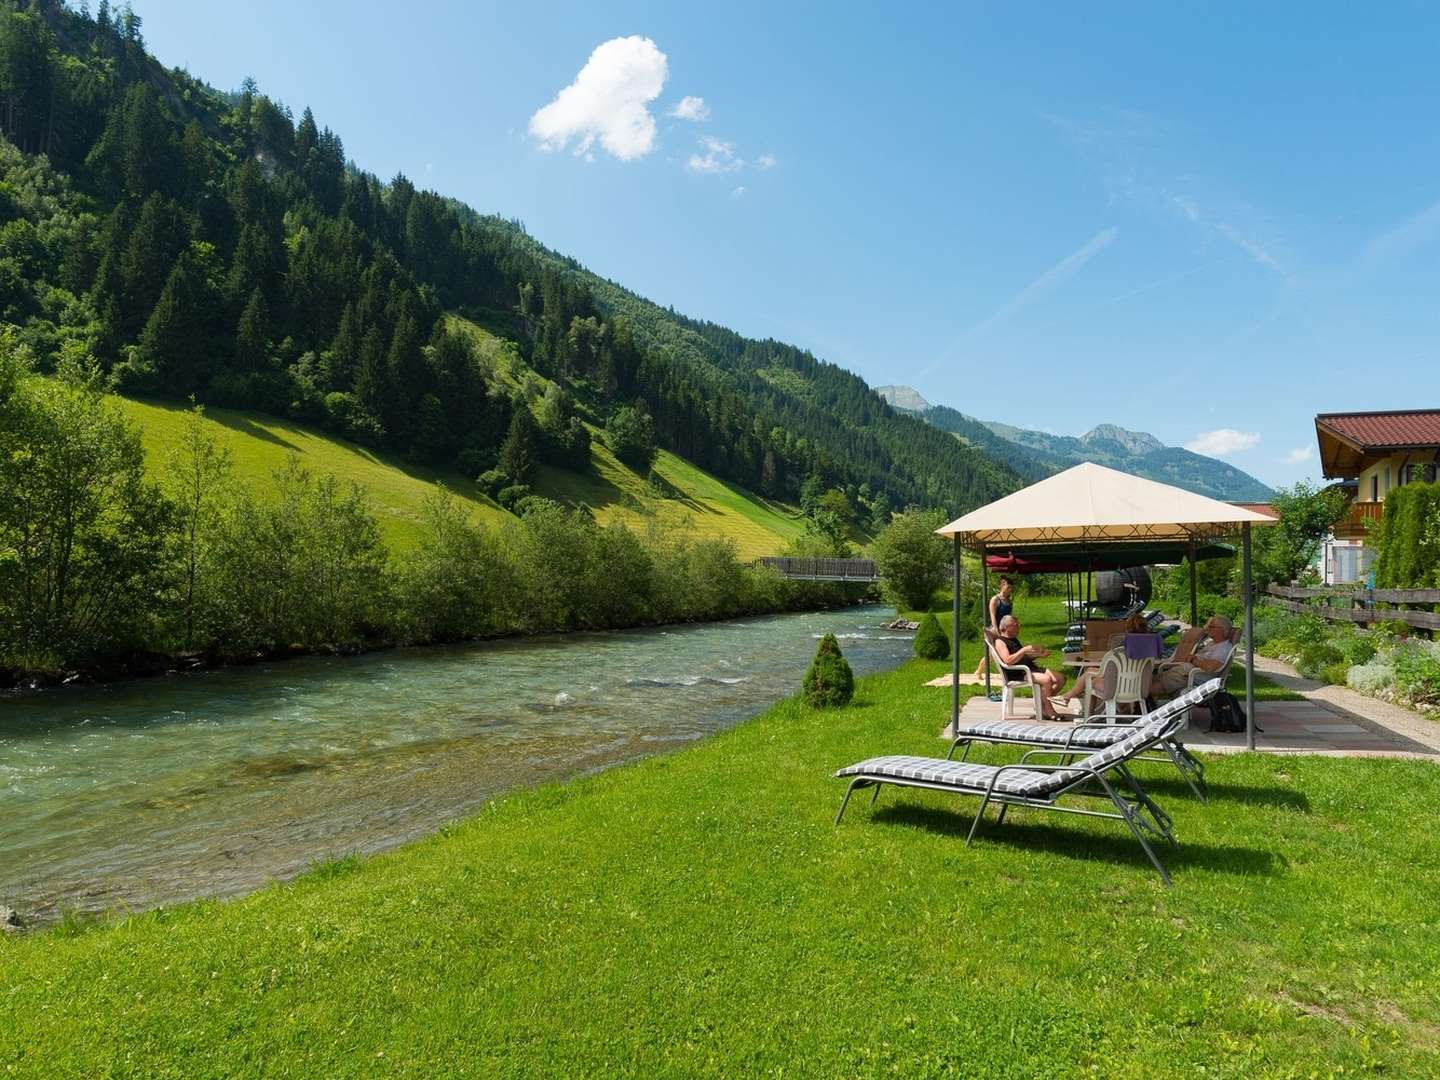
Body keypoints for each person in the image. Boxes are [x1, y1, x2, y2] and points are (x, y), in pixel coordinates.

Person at [991, 613, 1069, 719]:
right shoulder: (1000, 642)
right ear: (1007, 627)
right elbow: (1008, 660)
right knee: (1046, 680)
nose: (1019, 627)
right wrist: (1024, 649)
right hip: (1019, 673)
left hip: (1030, 669)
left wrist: (1038, 655)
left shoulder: (1013, 639)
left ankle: (1041, 705)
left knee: (1060, 678)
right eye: (1016, 625)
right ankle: (1050, 711)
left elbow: (1021, 657)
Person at [1152, 615, 1236, 696]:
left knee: (1150, 687)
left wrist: (1193, 660)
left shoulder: (1223, 648)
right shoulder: (1212, 644)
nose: (1207, 628)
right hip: (1184, 673)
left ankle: (1141, 704)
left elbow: (1211, 667)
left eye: (1211, 626)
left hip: (1192, 677)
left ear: (1222, 630)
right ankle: (1145, 705)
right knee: (1150, 680)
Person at [971, 576, 1015, 678]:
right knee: (993, 653)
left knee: (999, 653)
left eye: (1011, 588)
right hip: (993, 630)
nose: (1010, 590)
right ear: (1002, 585)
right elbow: (992, 616)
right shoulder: (995, 599)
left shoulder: (1009, 601)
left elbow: (1008, 617)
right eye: (1008, 587)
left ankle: (980, 671)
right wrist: (996, 630)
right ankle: (979, 671)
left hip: (1004, 630)